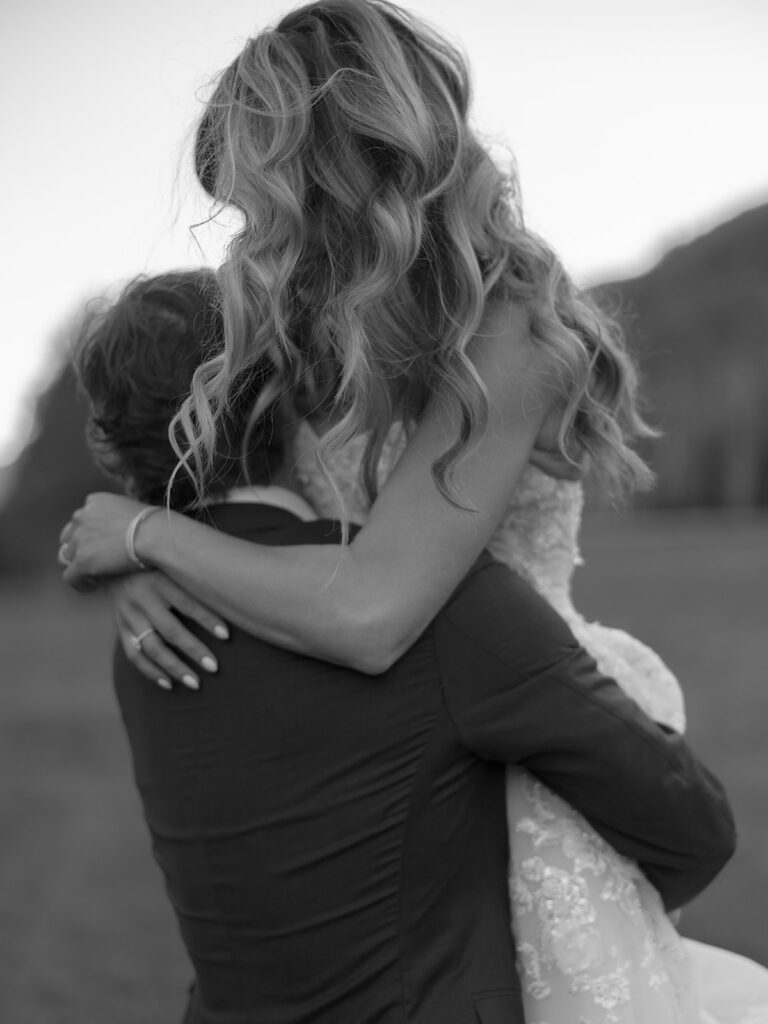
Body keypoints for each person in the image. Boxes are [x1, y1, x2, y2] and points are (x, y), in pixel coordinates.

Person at [60, 1, 768, 1020]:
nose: (251, 235)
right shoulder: (298, 324)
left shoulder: (508, 328)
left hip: (525, 739)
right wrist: (149, 566)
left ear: (342, 166)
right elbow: (241, 495)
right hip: (386, 739)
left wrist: (153, 536)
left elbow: (373, 610)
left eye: (262, 197)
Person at [72, 269, 737, 1024]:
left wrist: (138, 536)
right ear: (296, 399)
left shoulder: (147, 622)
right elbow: (692, 832)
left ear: (112, 442)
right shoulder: (437, 602)